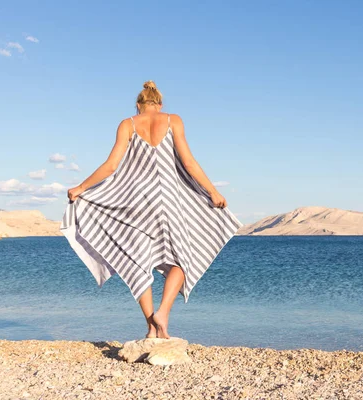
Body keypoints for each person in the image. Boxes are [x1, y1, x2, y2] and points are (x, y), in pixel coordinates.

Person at [60, 81, 243, 339]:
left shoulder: (128, 124)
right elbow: (189, 163)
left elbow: (111, 165)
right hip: (169, 200)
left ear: (138, 105)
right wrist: (213, 191)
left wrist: (81, 187)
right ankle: (163, 314)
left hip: (137, 201)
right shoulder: (173, 120)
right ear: (160, 105)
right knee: (183, 256)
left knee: (139, 261)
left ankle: (150, 328)